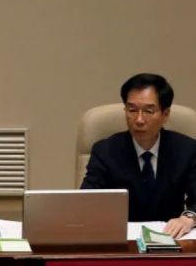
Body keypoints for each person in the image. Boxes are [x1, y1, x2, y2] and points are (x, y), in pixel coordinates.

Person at [81, 72, 196, 237]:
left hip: (170, 239)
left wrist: (188, 218)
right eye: (132, 110)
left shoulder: (186, 149)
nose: (139, 119)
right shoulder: (105, 151)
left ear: (165, 114)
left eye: (149, 111)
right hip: (121, 240)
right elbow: (87, 201)